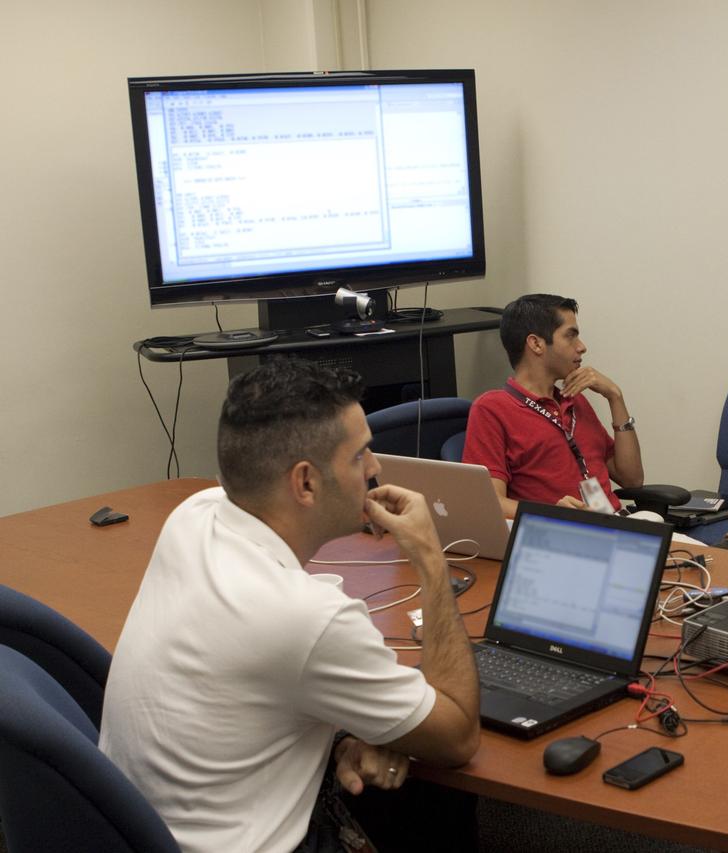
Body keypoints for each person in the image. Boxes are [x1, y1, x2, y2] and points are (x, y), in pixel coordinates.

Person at [100, 358, 481, 853]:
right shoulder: (309, 617)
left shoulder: (192, 515)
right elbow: (457, 737)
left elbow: (268, 672)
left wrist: (344, 736)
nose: (376, 468)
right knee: (438, 799)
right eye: (361, 454)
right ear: (305, 483)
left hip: (148, 831)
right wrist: (431, 556)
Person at [463, 293, 643, 516]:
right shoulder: (492, 409)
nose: (582, 347)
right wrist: (552, 515)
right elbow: (490, 503)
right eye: (571, 336)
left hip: (616, 523)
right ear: (536, 344)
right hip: (559, 534)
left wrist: (615, 397)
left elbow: (632, 479)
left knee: (693, 544)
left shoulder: (574, 399)